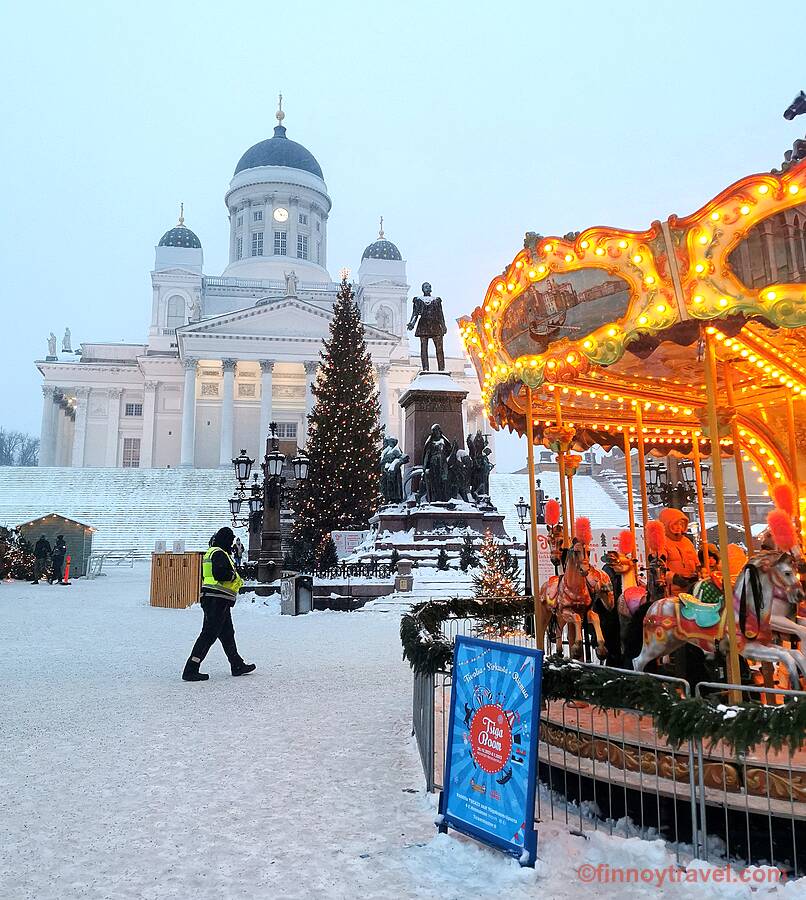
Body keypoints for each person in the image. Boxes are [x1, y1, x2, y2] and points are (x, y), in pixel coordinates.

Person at [182, 527, 255, 682]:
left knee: (227, 633)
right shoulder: (220, 554)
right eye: (230, 540)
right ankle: (191, 668)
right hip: (217, 600)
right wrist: (232, 575)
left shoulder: (212, 551)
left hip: (215, 599)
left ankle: (237, 664)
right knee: (209, 634)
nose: (231, 543)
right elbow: (220, 574)